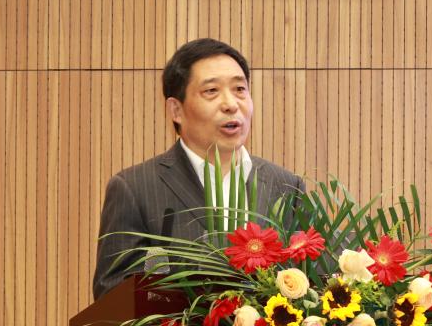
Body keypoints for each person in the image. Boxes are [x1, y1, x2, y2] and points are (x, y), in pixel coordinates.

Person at [92, 38, 305, 299]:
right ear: (176, 110)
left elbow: (314, 284)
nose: (231, 104)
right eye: (211, 91)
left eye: (240, 89)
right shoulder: (135, 189)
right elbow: (112, 298)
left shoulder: (285, 186)